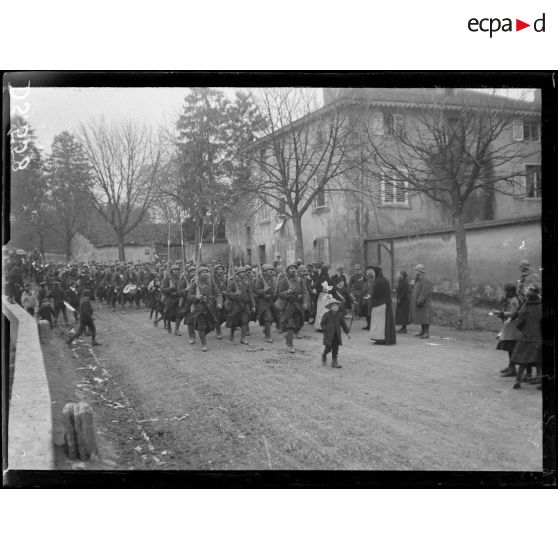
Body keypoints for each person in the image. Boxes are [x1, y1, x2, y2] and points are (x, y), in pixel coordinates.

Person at [186, 266, 223, 351]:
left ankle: (201, 334)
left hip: (210, 307)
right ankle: (204, 344)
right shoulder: (195, 283)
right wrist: (196, 297)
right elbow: (189, 297)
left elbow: (218, 293)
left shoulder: (211, 282)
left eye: (206, 272)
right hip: (200, 308)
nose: (205, 274)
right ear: (199, 274)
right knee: (202, 326)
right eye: (203, 272)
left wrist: (219, 303)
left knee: (210, 326)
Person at [511, 288, 542, 389]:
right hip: (539, 337)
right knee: (539, 360)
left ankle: (518, 380)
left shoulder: (525, 308)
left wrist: (523, 330)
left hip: (526, 336)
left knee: (523, 359)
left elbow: (519, 323)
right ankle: (540, 380)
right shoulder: (541, 308)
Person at [277, 263, 310, 353]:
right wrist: (287, 292)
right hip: (288, 306)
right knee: (290, 325)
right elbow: (279, 294)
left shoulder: (300, 280)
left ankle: (288, 335)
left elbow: (305, 292)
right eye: (291, 268)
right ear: (287, 271)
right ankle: (290, 345)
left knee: (298, 324)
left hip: (298, 306)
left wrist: (305, 302)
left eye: (294, 268)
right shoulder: (284, 281)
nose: (293, 270)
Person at [492, 283, 521, 377]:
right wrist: (501, 313)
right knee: (509, 348)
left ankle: (513, 369)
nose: (506, 293)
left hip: (513, 328)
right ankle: (511, 367)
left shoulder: (515, 300)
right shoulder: (510, 299)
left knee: (511, 348)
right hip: (509, 327)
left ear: (512, 291)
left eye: (507, 291)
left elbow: (514, 313)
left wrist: (501, 313)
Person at [224, 267, 255, 345]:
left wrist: (253, 305)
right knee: (234, 322)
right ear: (237, 274)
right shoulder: (233, 282)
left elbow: (250, 294)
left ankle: (243, 339)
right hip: (236, 305)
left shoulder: (247, 282)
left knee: (245, 321)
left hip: (245, 305)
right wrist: (235, 294)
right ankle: (232, 334)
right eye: (242, 272)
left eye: (244, 272)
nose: (244, 273)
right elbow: (227, 293)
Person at [320, 296, 351, 368]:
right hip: (329, 335)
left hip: (337, 335)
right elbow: (322, 323)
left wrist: (347, 333)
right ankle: (324, 354)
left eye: (337, 305)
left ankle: (334, 362)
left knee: (335, 349)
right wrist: (326, 329)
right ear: (330, 307)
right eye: (334, 306)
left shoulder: (339, 315)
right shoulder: (326, 315)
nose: (336, 307)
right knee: (328, 349)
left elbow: (344, 324)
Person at [369, 266, 396, 345]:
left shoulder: (378, 281)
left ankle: (381, 338)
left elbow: (376, 293)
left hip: (380, 304)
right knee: (387, 322)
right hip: (386, 303)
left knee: (380, 323)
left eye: (373, 273)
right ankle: (388, 338)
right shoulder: (385, 280)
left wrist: (371, 297)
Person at [255, 263, 279, 342]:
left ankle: (266, 330)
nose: (271, 271)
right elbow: (256, 291)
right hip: (263, 302)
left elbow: (274, 291)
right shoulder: (260, 280)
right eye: (269, 270)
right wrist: (263, 291)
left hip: (271, 302)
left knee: (272, 318)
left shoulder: (272, 280)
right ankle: (268, 336)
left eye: (272, 270)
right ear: (264, 272)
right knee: (268, 318)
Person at [411, 264, 432, 339]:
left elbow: (424, 292)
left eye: (415, 271)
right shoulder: (419, 280)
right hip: (419, 303)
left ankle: (426, 333)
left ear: (420, 272)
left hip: (424, 304)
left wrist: (420, 300)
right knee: (421, 318)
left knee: (425, 318)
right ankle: (422, 331)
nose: (414, 273)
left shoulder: (425, 280)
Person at [359, 266, 375, 330]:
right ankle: (368, 325)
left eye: (369, 274)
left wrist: (370, 296)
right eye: (367, 274)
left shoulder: (373, 281)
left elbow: (372, 290)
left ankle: (371, 325)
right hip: (365, 299)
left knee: (370, 313)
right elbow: (364, 289)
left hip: (370, 299)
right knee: (366, 312)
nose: (368, 275)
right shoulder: (366, 281)